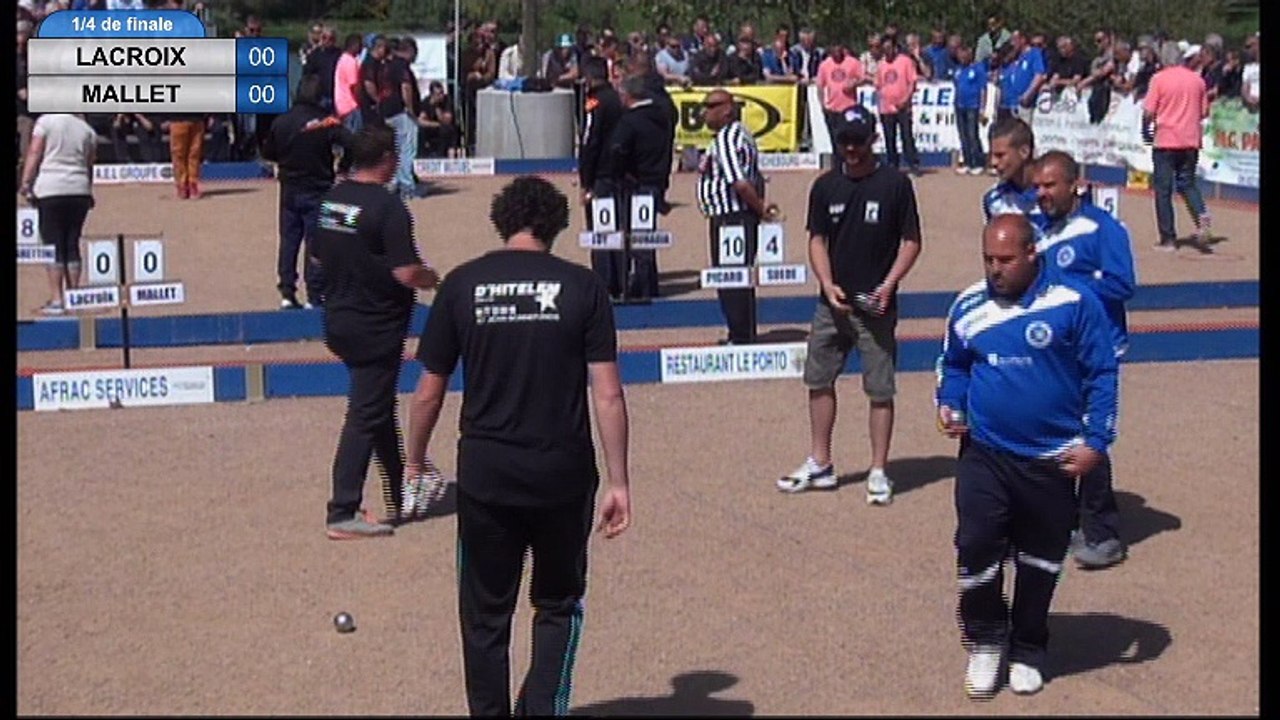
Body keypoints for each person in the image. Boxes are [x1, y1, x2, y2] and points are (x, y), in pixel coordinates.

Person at [403, 175, 632, 716]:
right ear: (556, 226)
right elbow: (608, 393)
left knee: (485, 616)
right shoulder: (583, 287)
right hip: (563, 474)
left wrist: (413, 459)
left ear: (501, 221)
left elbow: (428, 392)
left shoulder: (462, 284)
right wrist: (619, 480)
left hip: (488, 474)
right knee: (558, 606)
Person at [936, 214, 1119, 698]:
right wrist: (949, 403)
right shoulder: (968, 305)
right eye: (988, 260)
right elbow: (954, 365)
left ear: (1032, 253)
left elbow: (1102, 373)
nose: (995, 270)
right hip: (985, 453)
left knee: (1040, 560)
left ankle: (1028, 646)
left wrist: (1096, 442)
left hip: (1051, 459)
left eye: (1005, 260)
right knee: (976, 543)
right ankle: (985, 639)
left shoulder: (1074, 302)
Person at [777, 106, 921, 504]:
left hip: (875, 305)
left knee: (879, 388)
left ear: (873, 139)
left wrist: (889, 285)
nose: (851, 149)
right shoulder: (825, 186)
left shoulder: (895, 184)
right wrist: (826, 284)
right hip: (832, 303)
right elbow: (817, 239)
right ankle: (820, 461)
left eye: (858, 141)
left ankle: (878, 469)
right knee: (818, 379)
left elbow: (911, 241)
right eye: (844, 141)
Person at [309, 126, 440, 539]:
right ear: (386, 159)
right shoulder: (388, 208)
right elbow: (406, 272)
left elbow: (315, 258)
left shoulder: (332, 201)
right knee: (366, 412)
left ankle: (399, 487)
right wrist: (432, 278)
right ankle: (342, 510)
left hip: (339, 317)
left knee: (377, 403)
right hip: (376, 325)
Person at [1031, 151, 1135, 569]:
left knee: (1091, 438)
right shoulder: (1040, 229)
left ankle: (1103, 532)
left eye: (1050, 185)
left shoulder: (1102, 228)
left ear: (1074, 184)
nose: (1042, 193)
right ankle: (1067, 520)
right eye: (1037, 186)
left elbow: (1122, 283)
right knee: (1056, 433)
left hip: (1096, 350)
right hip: (1055, 349)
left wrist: (1068, 285)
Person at [261, 74, 354, 310]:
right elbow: (352, 143)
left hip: (290, 188)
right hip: (319, 187)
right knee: (317, 243)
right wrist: (343, 167)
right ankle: (315, 294)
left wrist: (286, 159)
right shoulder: (326, 122)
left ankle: (287, 292)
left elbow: (268, 152)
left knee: (289, 241)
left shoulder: (282, 121)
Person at [696, 88, 779, 345]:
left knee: (731, 278)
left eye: (711, 106)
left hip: (731, 217)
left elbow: (740, 182)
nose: (705, 112)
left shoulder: (727, 138)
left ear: (727, 109)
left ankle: (740, 337)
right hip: (734, 216)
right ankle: (744, 333)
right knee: (739, 276)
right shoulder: (741, 134)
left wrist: (760, 208)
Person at [19, 113, 97, 316]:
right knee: (72, 243)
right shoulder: (87, 130)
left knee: (53, 245)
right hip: (79, 189)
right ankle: (74, 296)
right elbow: (89, 164)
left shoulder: (45, 122)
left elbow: (35, 152)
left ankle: (57, 299)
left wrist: (26, 182)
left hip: (51, 188)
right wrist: (88, 188)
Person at [608, 74, 672, 301]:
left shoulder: (630, 121)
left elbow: (617, 150)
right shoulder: (662, 116)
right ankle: (649, 284)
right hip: (656, 180)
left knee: (635, 238)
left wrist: (619, 173)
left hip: (636, 183)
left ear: (627, 95)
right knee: (647, 235)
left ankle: (639, 286)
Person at [1143, 44, 1211, 251]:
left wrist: (1146, 129)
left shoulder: (1159, 79)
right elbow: (1204, 112)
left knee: (1163, 191)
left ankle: (1168, 238)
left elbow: (1149, 112)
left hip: (1166, 140)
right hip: (1190, 140)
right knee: (1188, 184)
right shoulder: (1197, 80)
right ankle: (1201, 215)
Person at [577, 56, 626, 299]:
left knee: (601, 229)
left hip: (601, 174)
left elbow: (590, 141)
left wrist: (585, 181)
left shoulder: (594, 101)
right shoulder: (618, 98)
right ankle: (620, 279)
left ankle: (605, 281)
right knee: (617, 227)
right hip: (620, 172)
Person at [875, 36, 922, 175]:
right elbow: (878, 85)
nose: (887, 51)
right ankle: (892, 165)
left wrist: (905, 100)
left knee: (907, 136)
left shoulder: (906, 61)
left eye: (889, 48)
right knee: (890, 138)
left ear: (895, 48)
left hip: (904, 107)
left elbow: (912, 82)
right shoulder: (881, 64)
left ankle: (913, 164)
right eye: (884, 49)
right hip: (886, 108)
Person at [982, 117, 1040, 221]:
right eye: (991, 155)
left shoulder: (1054, 195)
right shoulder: (994, 200)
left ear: (1024, 152)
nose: (993, 162)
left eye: (1000, 155)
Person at [814, 43, 864, 149]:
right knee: (836, 141)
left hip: (849, 107)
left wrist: (854, 83)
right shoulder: (824, 65)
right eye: (834, 50)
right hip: (832, 109)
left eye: (839, 50)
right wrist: (822, 104)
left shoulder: (853, 62)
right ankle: (837, 160)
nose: (837, 53)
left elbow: (863, 77)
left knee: (850, 141)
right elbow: (820, 86)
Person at [953, 45, 989, 175]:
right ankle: (967, 162)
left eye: (964, 54)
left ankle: (978, 162)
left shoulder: (978, 68)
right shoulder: (958, 69)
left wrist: (982, 108)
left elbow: (983, 89)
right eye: (960, 55)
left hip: (973, 106)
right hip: (959, 105)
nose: (962, 57)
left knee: (972, 135)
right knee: (963, 135)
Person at [163, 112, 206, 199]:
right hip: (178, 119)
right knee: (179, 155)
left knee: (195, 154)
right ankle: (182, 185)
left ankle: (193, 184)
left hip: (197, 119)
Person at [416, 80, 462, 158]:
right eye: (438, 94)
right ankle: (422, 155)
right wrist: (436, 124)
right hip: (433, 128)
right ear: (432, 95)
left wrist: (437, 107)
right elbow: (421, 121)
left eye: (442, 93)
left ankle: (442, 155)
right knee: (421, 131)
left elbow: (447, 121)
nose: (441, 96)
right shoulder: (426, 102)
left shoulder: (447, 100)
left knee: (446, 129)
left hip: (446, 129)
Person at [334, 33, 365, 133]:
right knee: (355, 137)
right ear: (355, 45)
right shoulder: (351, 61)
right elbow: (354, 86)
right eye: (360, 45)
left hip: (341, 106)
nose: (362, 49)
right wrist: (361, 102)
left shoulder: (342, 59)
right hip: (351, 106)